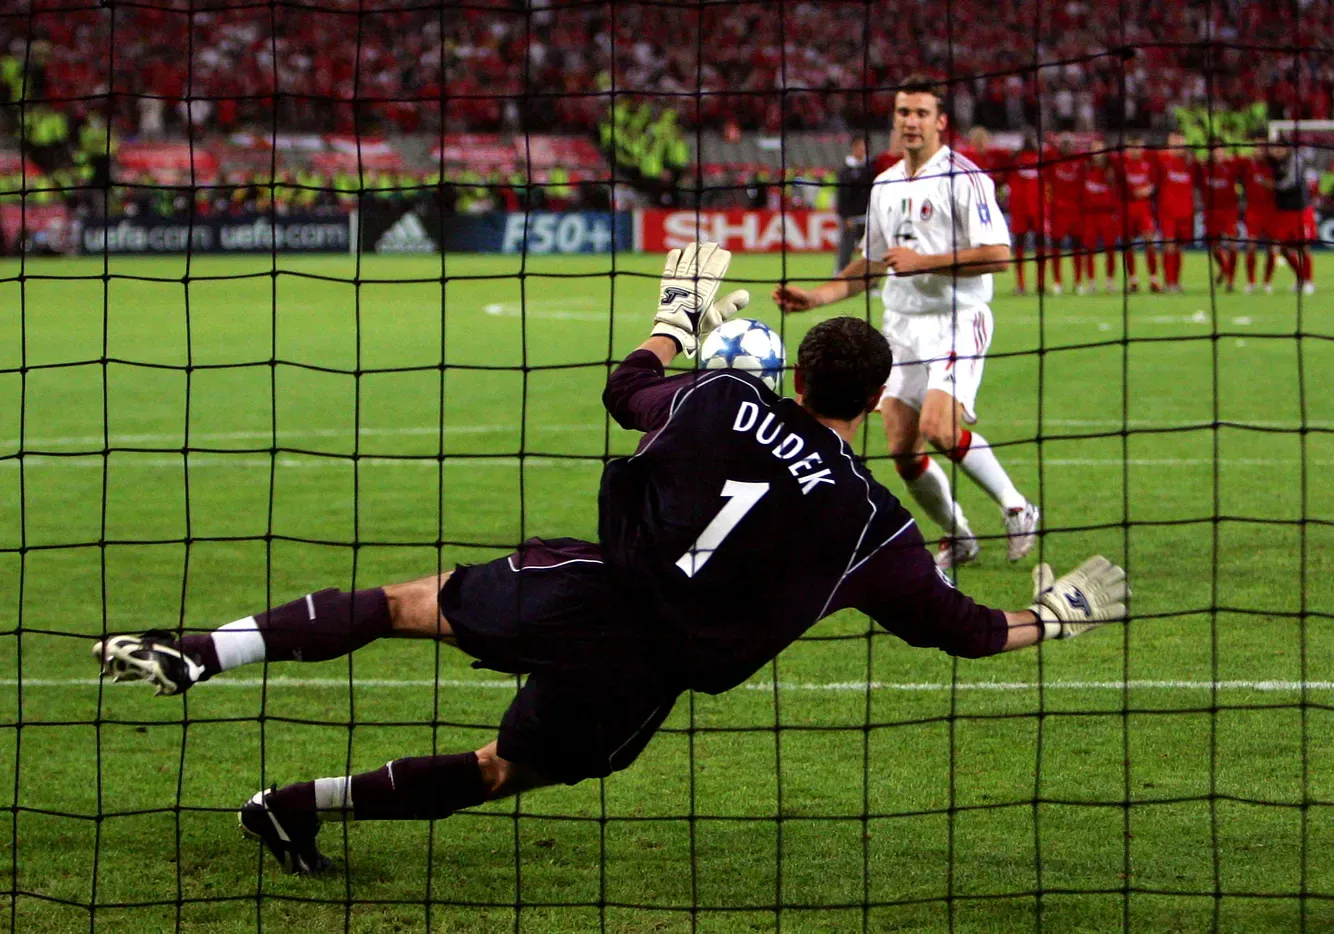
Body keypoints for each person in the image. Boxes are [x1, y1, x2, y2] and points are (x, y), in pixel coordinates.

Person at [91, 242, 1129, 875]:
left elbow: (623, 386)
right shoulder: (873, 522)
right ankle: (289, 807)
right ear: (867, 401)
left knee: (403, 603)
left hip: (587, 587)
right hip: (647, 670)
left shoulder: (720, 397)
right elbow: (973, 633)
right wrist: (1063, 614)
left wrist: (673, 320)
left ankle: (198, 653)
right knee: (503, 770)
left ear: (799, 369)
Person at [772, 75, 1040, 569]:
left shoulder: (965, 177)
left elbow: (1000, 256)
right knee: (901, 447)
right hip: (901, 325)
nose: (910, 122)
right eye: (902, 113)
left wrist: (926, 261)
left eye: (920, 113)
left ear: (940, 122)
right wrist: (816, 296)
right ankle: (958, 536)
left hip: (956, 319)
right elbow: (869, 264)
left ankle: (1018, 507)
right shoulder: (886, 183)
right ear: (894, 120)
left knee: (940, 427)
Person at [1268, 139, 1317, 294]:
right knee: (1283, 248)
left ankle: (1308, 281)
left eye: (1279, 149)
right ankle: (1300, 278)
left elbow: (1289, 183)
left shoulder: (1294, 160)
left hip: (1300, 210)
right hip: (1283, 211)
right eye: (1274, 149)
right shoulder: (1273, 162)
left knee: (1303, 246)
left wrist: (1271, 185)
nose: (1276, 152)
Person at [1004, 132, 1048, 296]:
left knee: (1034, 247)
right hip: (1023, 209)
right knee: (1027, 246)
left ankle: (1034, 283)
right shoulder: (1017, 159)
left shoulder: (1039, 158)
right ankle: (1027, 284)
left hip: (1033, 209)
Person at [1196, 140, 1242, 292]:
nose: (1217, 152)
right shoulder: (1203, 167)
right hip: (1211, 210)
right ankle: (1224, 269)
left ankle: (1230, 281)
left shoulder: (1233, 164)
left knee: (1232, 243)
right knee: (1214, 247)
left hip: (1229, 210)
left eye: (1220, 149)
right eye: (1214, 149)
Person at [1117, 137, 1161, 293]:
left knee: (1149, 241)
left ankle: (1154, 279)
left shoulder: (1149, 162)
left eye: (1139, 147)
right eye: (1133, 147)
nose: (1136, 151)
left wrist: (1150, 189)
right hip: (1127, 207)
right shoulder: (1121, 163)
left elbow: (1156, 182)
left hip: (1144, 208)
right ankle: (1133, 280)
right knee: (1128, 244)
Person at [1154, 131, 1195, 292]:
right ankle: (1168, 282)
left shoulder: (1190, 162)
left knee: (1179, 248)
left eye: (1181, 142)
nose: (1178, 146)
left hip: (1185, 211)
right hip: (1167, 210)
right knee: (1169, 246)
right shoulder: (1161, 157)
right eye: (1175, 142)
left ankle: (1176, 282)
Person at [1046, 133, 1085, 296]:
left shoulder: (1080, 161)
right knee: (1056, 248)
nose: (1067, 146)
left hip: (1076, 210)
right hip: (1058, 211)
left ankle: (1078, 282)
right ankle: (1057, 282)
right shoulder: (1052, 160)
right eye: (1064, 143)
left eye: (1070, 143)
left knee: (1077, 247)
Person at [1077, 148, 1119, 294]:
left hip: (1107, 214)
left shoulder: (1111, 171)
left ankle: (1110, 281)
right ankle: (1091, 282)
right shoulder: (1086, 169)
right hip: (1089, 215)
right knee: (1089, 249)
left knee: (1110, 249)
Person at [1241, 142, 1277, 294]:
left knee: (1272, 248)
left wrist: (1266, 183)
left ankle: (1267, 282)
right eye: (1257, 146)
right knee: (1251, 246)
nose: (1260, 150)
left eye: (1263, 147)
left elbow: (1279, 185)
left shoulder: (1274, 166)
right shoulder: (1247, 164)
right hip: (1253, 211)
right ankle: (1251, 282)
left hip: (1272, 211)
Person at [835, 135, 873, 274]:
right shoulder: (845, 170)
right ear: (853, 147)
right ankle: (841, 275)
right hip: (851, 218)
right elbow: (841, 196)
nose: (862, 149)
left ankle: (871, 282)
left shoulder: (870, 168)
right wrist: (844, 216)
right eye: (860, 146)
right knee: (846, 249)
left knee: (870, 252)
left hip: (868, 217)